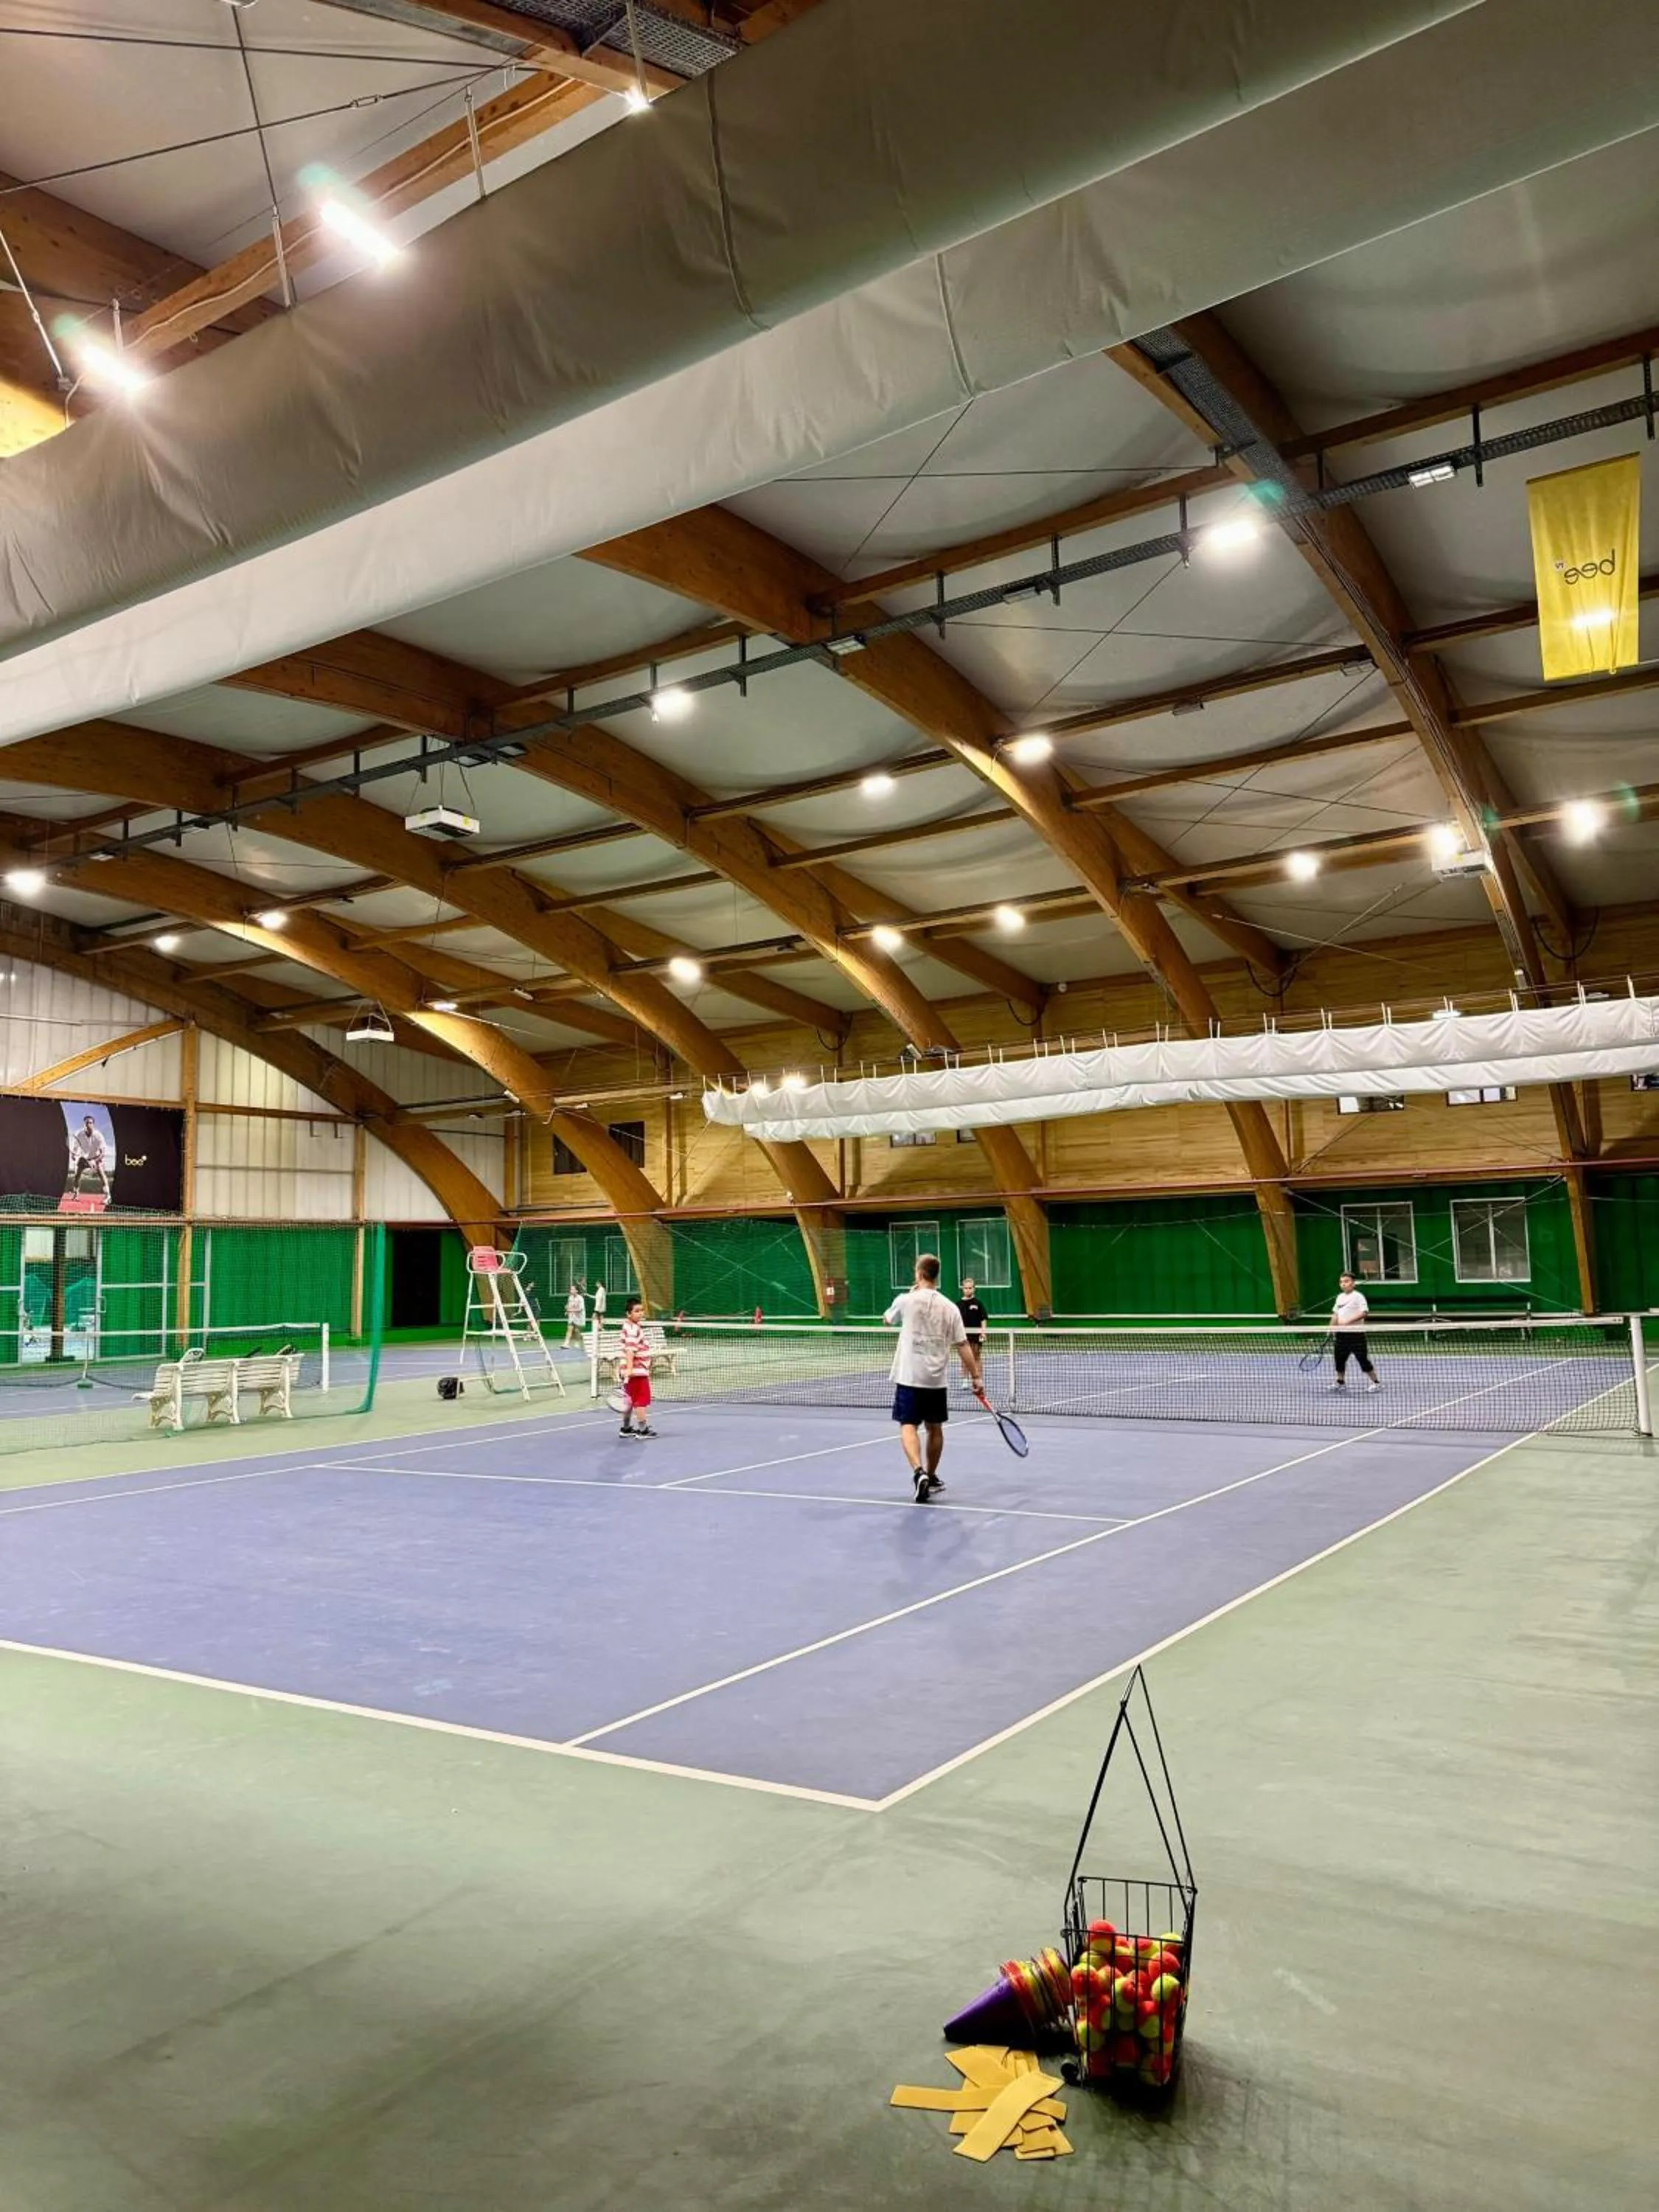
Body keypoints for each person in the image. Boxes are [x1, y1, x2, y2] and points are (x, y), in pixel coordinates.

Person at [884, 1252, 982, 1501]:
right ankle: (932, 1474)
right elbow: (963, 1345)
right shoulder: (950, 1307)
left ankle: (919, 1473)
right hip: (936, 1380)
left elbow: (887, 1320)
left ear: (919, 1274)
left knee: (908, 1426)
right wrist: (977, 1377)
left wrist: (909, 1295)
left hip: (909, 1377)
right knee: (935, 1428)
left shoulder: (905, 1300)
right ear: (936, 1276)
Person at [1329, 1272, 1380, 1394]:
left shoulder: (1358, 1296)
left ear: (1353, 1283)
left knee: (1363, 1360)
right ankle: (1340, 1383)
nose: (1343, 1284)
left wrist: (1348, 1322)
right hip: (1341, 1335)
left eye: (1346, 1281)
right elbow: (1335, 1314)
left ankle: (1376, 1383)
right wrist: (1331, 1328)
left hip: (1356, 1334)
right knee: (1339, 1360)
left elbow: (1364, 1313)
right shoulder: (1340, 1297)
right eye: (1341, 1282)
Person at [616, 1295, 656, 1439]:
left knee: (629, 1401)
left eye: (642, 1310)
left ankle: (626, 1428)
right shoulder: (633, 1328)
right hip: (636, 1371)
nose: (640, 1313)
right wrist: (630, 1369)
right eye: (637, 1311)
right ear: (629, 1314)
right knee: (640, 1401)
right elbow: (630, 1350)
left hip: (630, 1370)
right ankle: (643, 1430)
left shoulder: (629, 1326)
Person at [65, 1113, 111, 1199]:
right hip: (84, 1158)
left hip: (96, 1157)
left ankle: (108, 1195)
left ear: (93, 1124)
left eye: (90, 1123)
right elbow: (75, 1147)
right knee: (77, 1175)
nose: (88, 1125)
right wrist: (73, 1155)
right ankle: (76, 1193)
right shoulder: (80, 1135)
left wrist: (94, 1161)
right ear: (84, 1124)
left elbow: (103, 1153)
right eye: (86, 1123)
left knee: (101, 1173)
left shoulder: (98, 1136)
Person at [956, 1275, 988, 1370]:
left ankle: (979, 1377)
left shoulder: (978, 1303)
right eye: (966, 1288)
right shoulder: (958, 1304)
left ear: (974, 1289)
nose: (968, 1290)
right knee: (965, 1359)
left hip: (975, 1336)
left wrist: (983, 1332)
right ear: (963, 1289)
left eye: (970, 1288)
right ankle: (965, 1378)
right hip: (963, 1336)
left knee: (976, 1357)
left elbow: (983, 1319)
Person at [563, 1279, 587, 1346]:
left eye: (573, 1289)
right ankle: (566, 1343)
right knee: (569, 1329)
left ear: (577, 1291)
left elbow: (580, 1309)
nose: (571, 1291)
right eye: (571, 1289)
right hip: (572, 1317)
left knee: (577, 1331)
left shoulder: (580, 1298)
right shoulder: (570, 1298)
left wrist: (571, 1310)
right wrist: (567, 1309)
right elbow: (569, 1305)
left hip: (579, 1317)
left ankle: (578, 1342)